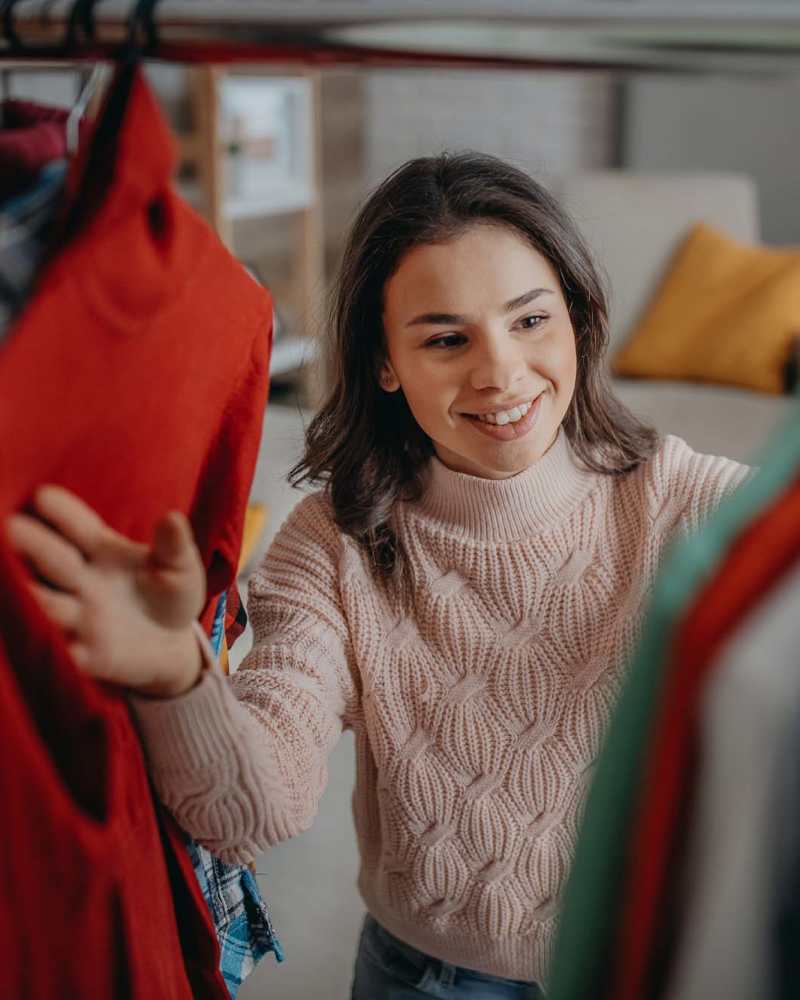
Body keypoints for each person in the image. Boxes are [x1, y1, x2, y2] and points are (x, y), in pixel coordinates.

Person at [6, 152, 748, 998]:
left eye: (530, 321)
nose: (500, 371)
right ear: (384, 362)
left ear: (578, 319)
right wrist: (174, 676)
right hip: (429, 978)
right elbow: (256, 811)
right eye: (445, 338)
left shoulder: (688, 500)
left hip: (650, 965)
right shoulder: (333, 543)